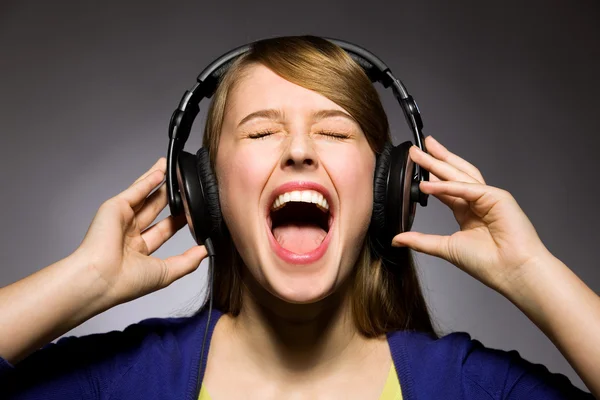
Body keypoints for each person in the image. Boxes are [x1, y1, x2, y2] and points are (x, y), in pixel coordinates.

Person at [0, 35, 597, 399]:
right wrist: (86, 280)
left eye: (335, 131)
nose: (299, 150)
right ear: (205, 190)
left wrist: (530, 272)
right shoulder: (120, 384)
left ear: (389, 185)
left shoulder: (471, 389)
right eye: (260, 131)